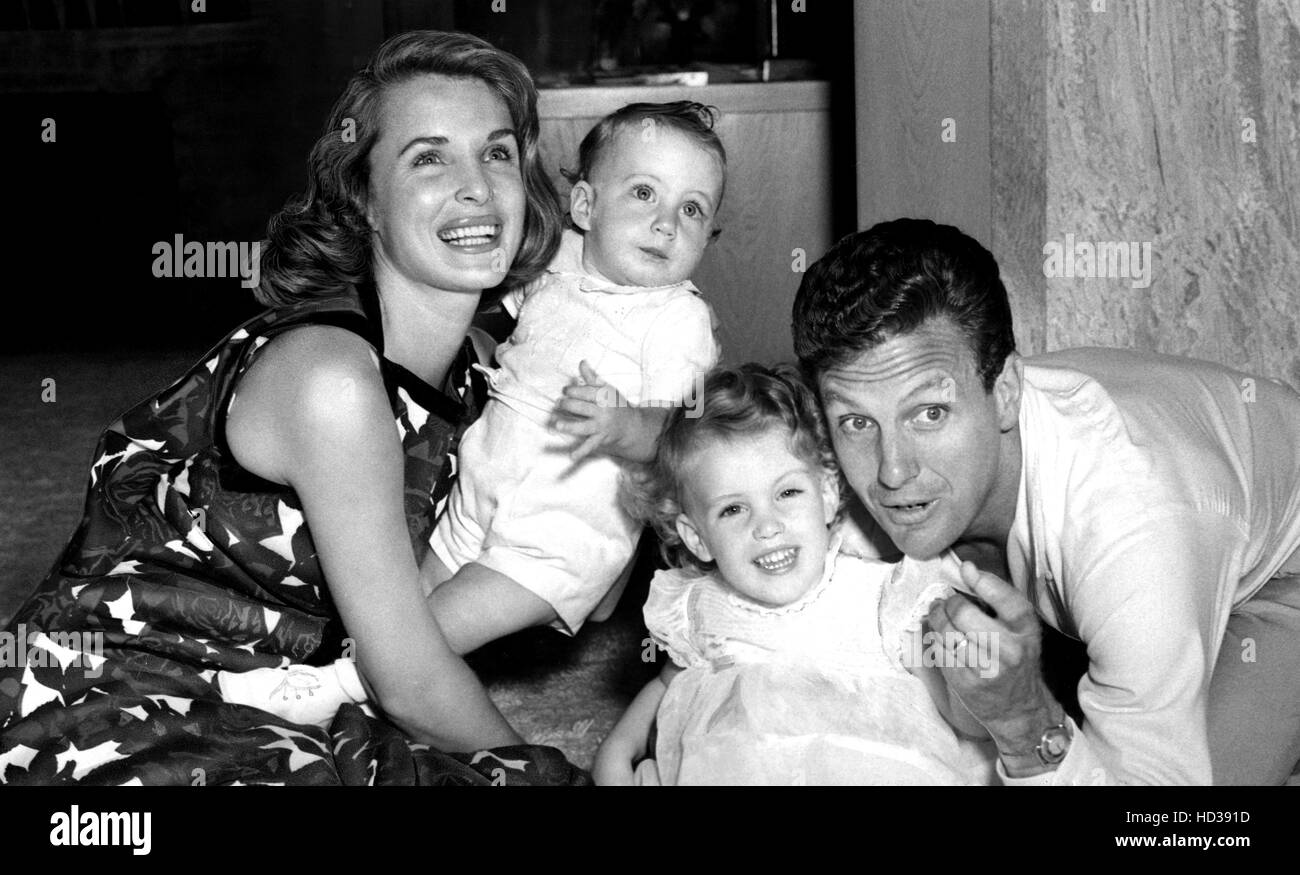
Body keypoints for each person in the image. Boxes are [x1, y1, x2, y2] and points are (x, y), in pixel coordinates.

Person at [0, 30, 588, 786]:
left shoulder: (483, 363)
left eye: (498, 152)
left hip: (284, 689)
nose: (477, 186)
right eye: (430, 157)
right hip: (120, 695)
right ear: (365, 202)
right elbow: (406, 679)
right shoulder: (332, 377)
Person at [218, 100, 725, 727]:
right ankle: (370, 682)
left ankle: (340, 684)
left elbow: (680, 436)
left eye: (693, 210)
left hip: (562, 537)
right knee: (410, 602)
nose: (666, 224)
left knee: (449, 624)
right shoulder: (560, 262)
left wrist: (627, 425)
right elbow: (487, 298)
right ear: (587, 207)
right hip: (480, 484)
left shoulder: (677, 318)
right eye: (644, 193)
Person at [791, 217, 1300, 785]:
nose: (892, 471)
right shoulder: (856, 471)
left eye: (929, 413)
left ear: (1006, 391)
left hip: (1281, 575)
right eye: (857, 422)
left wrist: (1023, 722)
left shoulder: (1129, 524)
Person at [593, 364, 997, 785]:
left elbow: (961, 713)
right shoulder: (697, 607)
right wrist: (617, 748)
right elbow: (670, 683)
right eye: (733, 509)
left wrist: (982, 680)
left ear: (825, 497)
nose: (767, 526)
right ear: (698, 539)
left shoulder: (878, 599)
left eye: (787, 493)